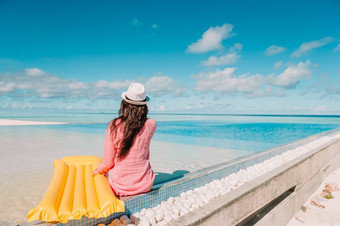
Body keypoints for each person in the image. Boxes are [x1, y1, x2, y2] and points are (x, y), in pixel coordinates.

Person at [92, 83, 157, 196]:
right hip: (145, 184)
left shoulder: (114, 125)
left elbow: (108, 161)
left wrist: (99, 170)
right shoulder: (151, 124)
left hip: (119, 186)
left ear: (124, 104)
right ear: (144, 105)